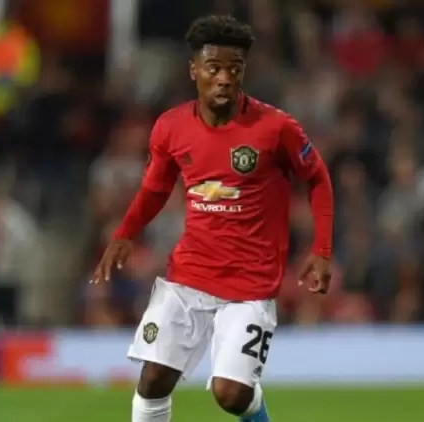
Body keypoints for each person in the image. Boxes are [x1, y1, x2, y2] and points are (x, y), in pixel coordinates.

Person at [92, 14, 334, 422]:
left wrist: (322, 249)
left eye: (234, 69)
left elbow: (318, 179)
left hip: (250, 285)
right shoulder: (170, 127)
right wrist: (125, 233)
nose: (224, 78)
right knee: (153, 379)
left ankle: (253, 405)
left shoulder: (275, 128)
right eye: (214, 68)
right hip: (189, 276)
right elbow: (155, 188)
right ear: (194, 70)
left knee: (231, 395)